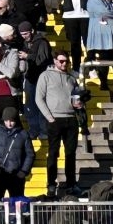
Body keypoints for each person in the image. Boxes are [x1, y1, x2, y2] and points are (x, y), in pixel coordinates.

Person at [33, 52, 81, 190]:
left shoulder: (71, 77)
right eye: (61, 61)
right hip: (55, 119)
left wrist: (79, 104)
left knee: (70, 153)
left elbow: (76, 97)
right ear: (55, 61)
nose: (64, 64)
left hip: (71, 118)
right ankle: (51, 184)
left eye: (67, 61)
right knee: (53, 152)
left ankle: (71, 183)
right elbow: (39, 98)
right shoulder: (45, 76)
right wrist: (50, 117)